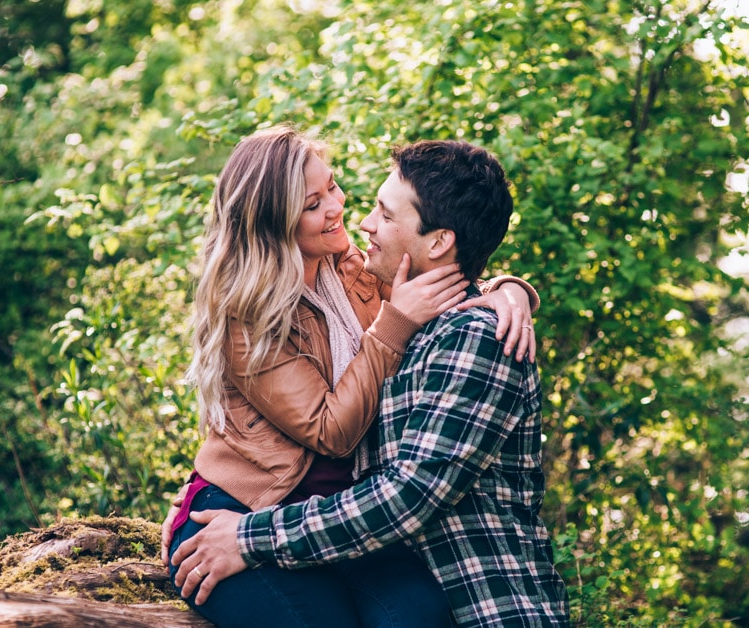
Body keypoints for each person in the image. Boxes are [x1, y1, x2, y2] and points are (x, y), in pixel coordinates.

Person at [170, 139, 571, 627]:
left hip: (346, 514)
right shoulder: (247, 315)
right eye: (313, 205)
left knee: (416, 615)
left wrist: (509, 291)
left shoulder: (354, 268)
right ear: (274, 225)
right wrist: (393, 325)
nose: (342, 209)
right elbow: (331, 432)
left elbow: (446, 272)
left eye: (332, 186)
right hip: (251, 507)